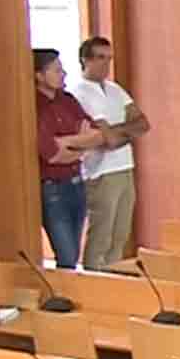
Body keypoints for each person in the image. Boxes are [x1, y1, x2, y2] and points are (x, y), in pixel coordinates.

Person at [70, 37, 149, 270]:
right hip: (101, 171)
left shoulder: (115, 89)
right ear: (86, 60)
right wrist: (125, 131)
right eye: (101, 58)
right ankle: (95, 276)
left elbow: (143, 123)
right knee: (101, 233)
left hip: (124, 166)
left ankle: (114, 276)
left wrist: (118, 132)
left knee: (120, 233)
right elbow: (109, 139)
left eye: (109, 58)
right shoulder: (80, 92)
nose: (107, 64)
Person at [35, 48, 97, 269]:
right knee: (67, 255)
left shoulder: (68, 100)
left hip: (76, 183)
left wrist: (70, 142)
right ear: (39, 75)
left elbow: (96, 136)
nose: (63, 74)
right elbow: (52, 154)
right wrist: (80, 141)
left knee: (74, 250)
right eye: (56, 70)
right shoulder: (34, 106)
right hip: (53, 189)